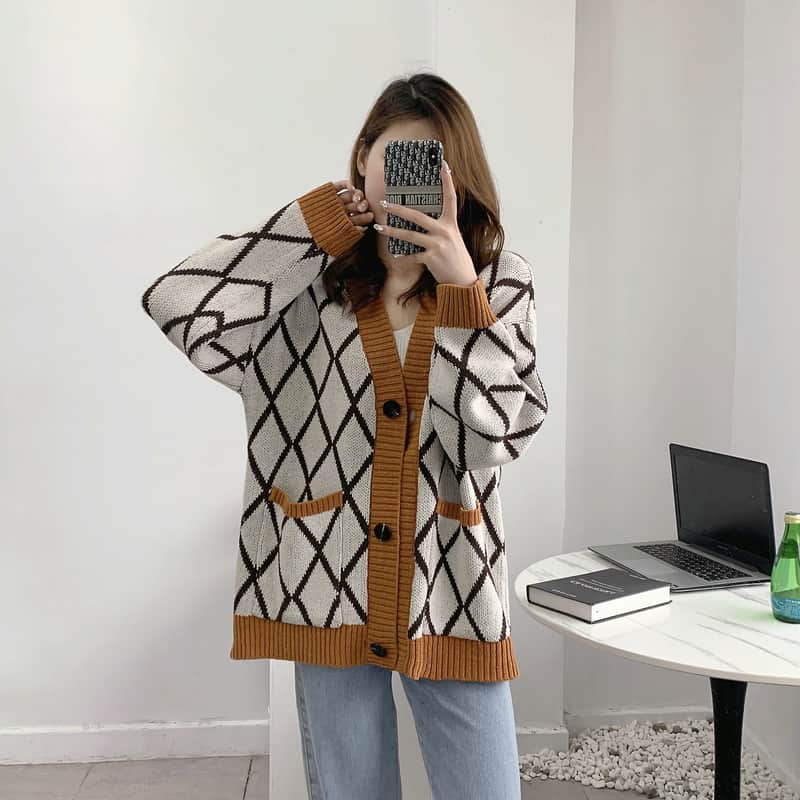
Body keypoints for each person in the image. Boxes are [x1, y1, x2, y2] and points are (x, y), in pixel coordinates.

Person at [141, 70, 548, 800]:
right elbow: (180, 303)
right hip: (325, 579)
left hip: (453, 587)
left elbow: (492, 439)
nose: (414, 183)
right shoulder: (311, 283)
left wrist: (461, 290)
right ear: (363, 157)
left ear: (459, 179)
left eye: (435, 165)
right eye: (398, 158)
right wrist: (312, 227)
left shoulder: (498, 280)